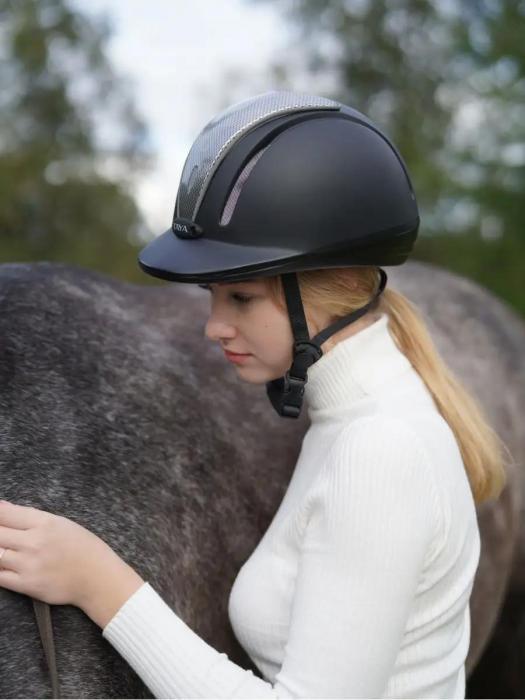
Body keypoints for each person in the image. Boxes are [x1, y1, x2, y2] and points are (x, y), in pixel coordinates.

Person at [99, 90, 506, 698]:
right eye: (213, 296)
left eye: (241, 298)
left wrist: (103, 588)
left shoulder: (379, 452)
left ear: (336, 284)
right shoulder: (354, 418)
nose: (213, 326)